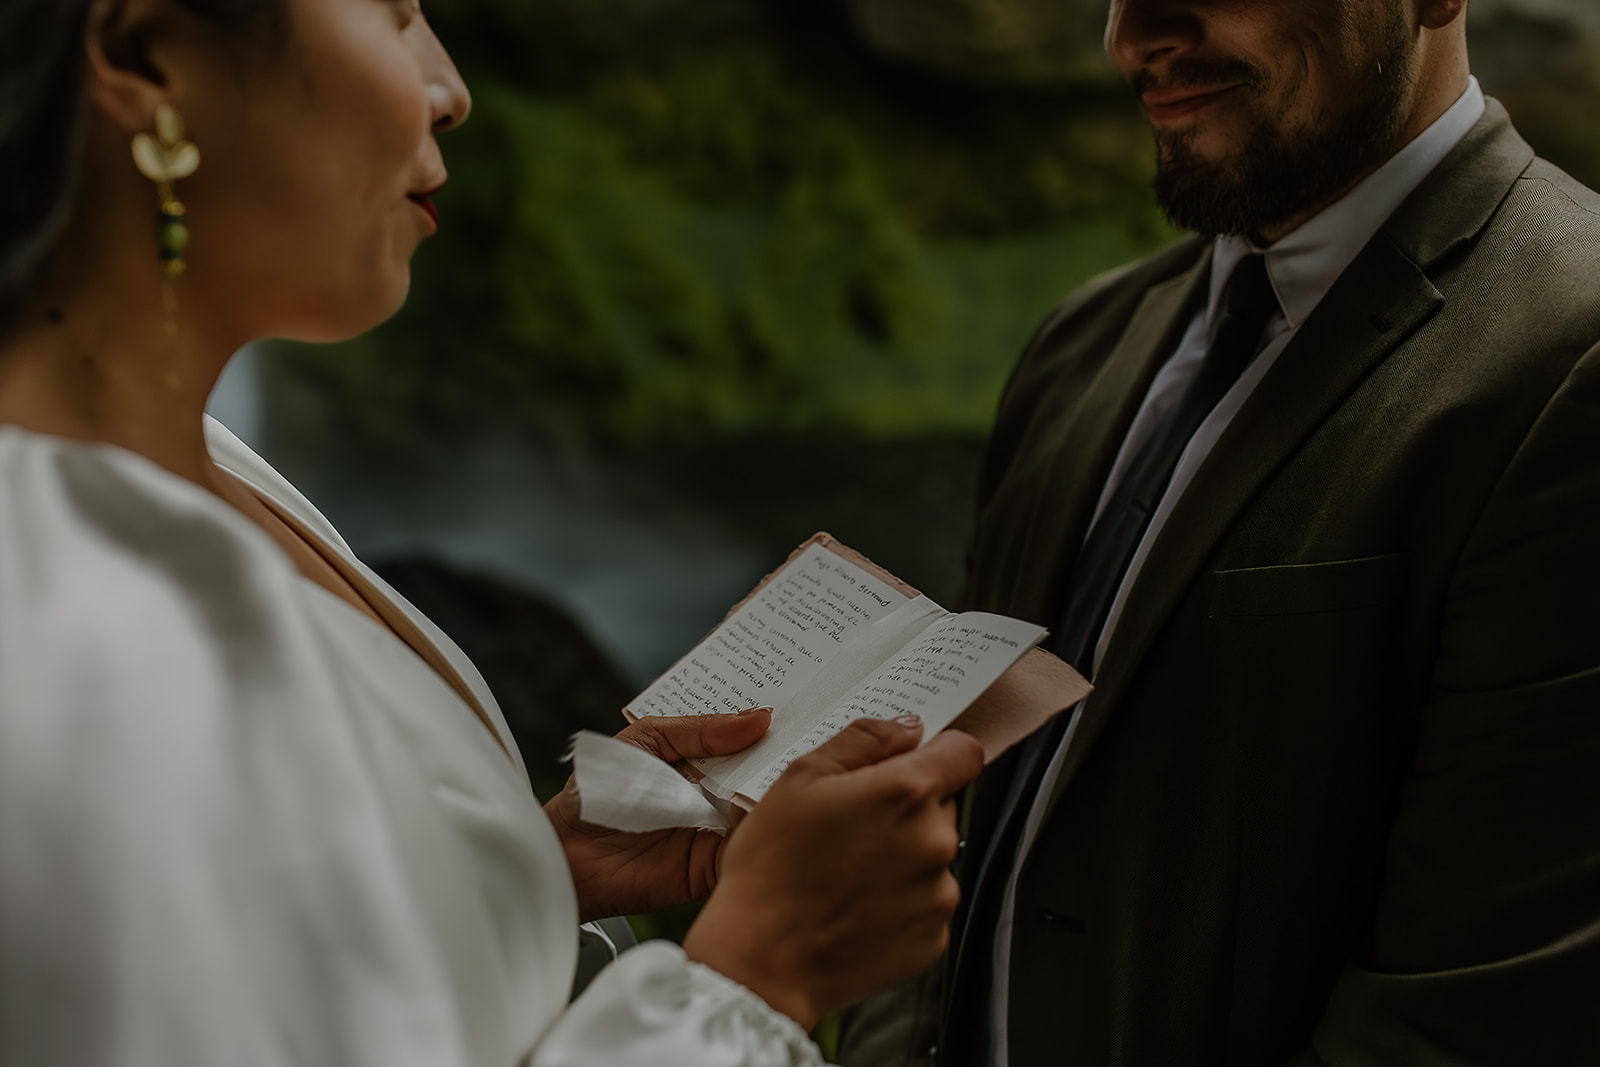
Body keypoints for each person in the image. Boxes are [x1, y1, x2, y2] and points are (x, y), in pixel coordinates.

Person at [0, 1, 989, 1063]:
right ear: (148, 58)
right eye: (394, 14)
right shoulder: (76, 643)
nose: (451, 87)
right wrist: (755, 975)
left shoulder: (193, 463)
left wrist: (513, 867)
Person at [838, 0, 1600, 1064]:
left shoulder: (1575, 350)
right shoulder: (1083, 341)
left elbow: (1474, 1005)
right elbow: (953, 806)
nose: (1130, 36)